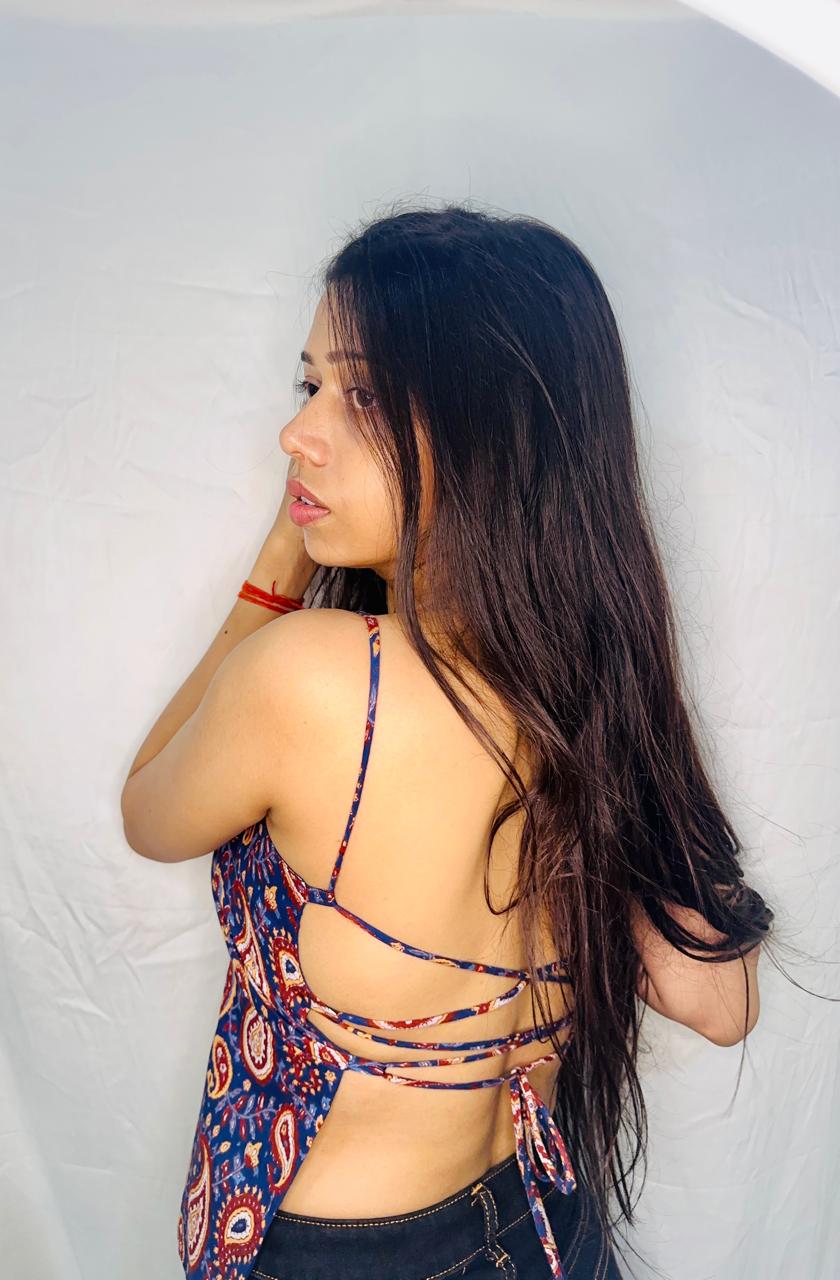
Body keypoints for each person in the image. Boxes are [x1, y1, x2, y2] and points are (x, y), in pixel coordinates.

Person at [121, 204, 775, 1280]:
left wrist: (278, 562)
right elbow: (719, 1000)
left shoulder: (310, 676)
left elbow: (149, 810)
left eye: (364, 395)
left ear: (491, 433)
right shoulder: (580, 688)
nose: (298, 434)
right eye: (309, 385)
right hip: (546, 1228)